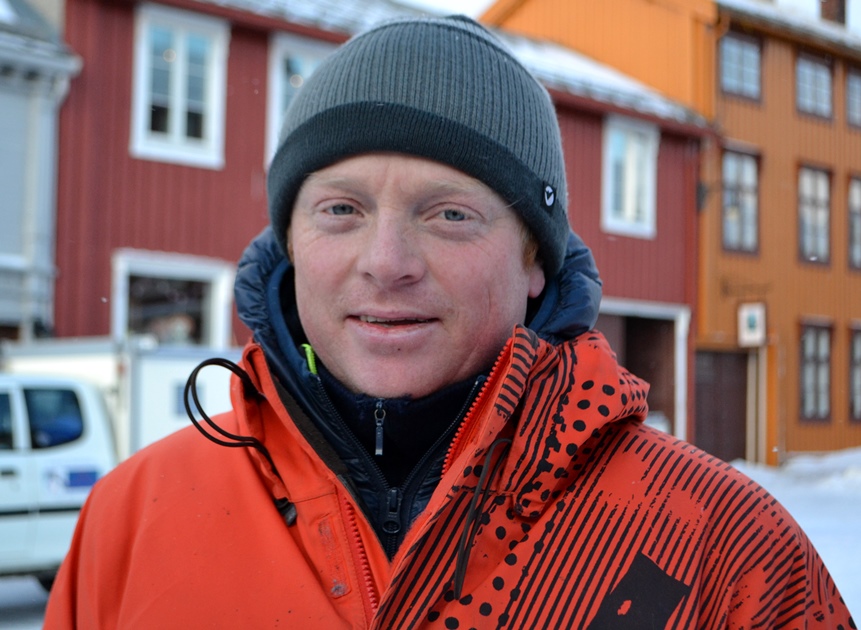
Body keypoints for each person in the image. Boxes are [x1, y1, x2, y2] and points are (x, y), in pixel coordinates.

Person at [45, 15, 854, 629]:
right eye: (341, 209)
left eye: (449, 214)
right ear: (289, 241)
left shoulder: (720, 548)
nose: (386, 261)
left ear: (535, 260)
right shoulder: (132, 520)